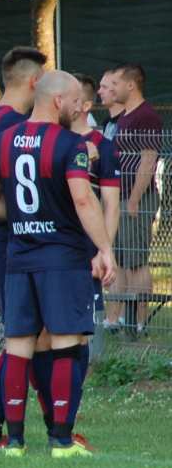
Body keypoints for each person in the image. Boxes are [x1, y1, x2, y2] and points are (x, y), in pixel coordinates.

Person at [0, 70, 115, 458]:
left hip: (18, 256)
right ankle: (61, 439)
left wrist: (23, 215)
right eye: (75, 100)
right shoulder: (70, 144)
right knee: (66, 342)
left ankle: (16, 442)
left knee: (18, 345)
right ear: (57, 101)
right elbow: (84, 201)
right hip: (62, 257)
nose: (79, 107)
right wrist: (104, 248)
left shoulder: (0, 141)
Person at [0, 46, 46, 450]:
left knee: (24, 336)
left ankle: (0, 427)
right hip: (4, 239)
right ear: (34, 82)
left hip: (2, 239)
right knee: (21, 337)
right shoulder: (9, 124)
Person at [107, 63, 163, 337]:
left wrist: (134, 199)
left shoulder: (146, 116)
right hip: (120, 196)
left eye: (116, 83)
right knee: (120, 258)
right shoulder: (124, 116)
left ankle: (139, 322)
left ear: (131, 85)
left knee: (137, 260)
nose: (112, 88)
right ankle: (115, 319)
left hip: (137, 198)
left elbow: (148, 158)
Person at [97, 69, 124, 140]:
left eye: (104, 87)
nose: (99, 91)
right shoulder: (107, 123)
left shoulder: (130, 122)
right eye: (100, 87)